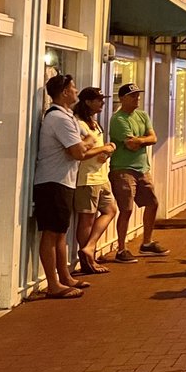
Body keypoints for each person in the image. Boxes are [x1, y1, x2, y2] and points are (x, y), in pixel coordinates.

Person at [35, 74, 98, 298]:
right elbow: (79, 151)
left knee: (61, 231)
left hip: (64, 180)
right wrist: (88, 143)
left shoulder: (67, 116)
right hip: (52, 181)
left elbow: (85, 139)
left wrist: (85, 142)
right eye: (72, 88)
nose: (76, 91)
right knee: (51, 233)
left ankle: (64, 276)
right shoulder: (58, 119)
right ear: (63, 92)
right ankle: (53, 284)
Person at [108, 83, 169, 262]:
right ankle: (121, 248)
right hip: (123, 169)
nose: (137, 99)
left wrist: (140, 140)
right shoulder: (118, 119)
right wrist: (144, 140)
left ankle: (147, 242)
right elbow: (131, 145)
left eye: (137, 95)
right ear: (123, 98)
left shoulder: (142, 115)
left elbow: (153, 138)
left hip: (142, 168)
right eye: (133, 96)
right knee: (126, 209)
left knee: (153, 203)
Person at [73, 87, 117, 275]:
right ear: (88, 102)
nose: (102, 103)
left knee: (111, 210)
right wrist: (103, 149)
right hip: (86, 178)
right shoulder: (78, 123)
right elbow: (80, 153)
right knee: (87, 219)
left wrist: (108, 150)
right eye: (98, 100)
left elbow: (98, 148)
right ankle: (87, 260)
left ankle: (89, 248)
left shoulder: (94, 123)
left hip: (100, 175)